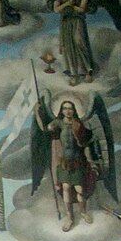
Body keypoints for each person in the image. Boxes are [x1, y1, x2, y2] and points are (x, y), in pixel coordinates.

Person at [38, 97, 99, 231]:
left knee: (79, 189)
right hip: (64, 162)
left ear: (74, 110)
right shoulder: (58, 123)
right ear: (61, 110)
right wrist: (38, 113)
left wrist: (90, 161)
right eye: (65, 108)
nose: (67, 111)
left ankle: (83, 212)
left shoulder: (78, 124)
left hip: (78, 161)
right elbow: (45, 129)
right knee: (66, 188)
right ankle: (69, 218)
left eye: (70, 108)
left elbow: (85, 145)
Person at [51, 0, 97, 84]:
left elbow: (82, 10)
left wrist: (70, 6)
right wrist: (68, 3)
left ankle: (88, 71)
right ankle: (74, 74)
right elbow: (56, 9)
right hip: (65, 22)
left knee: (79, 42)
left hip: (77, 21)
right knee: (68, 47)